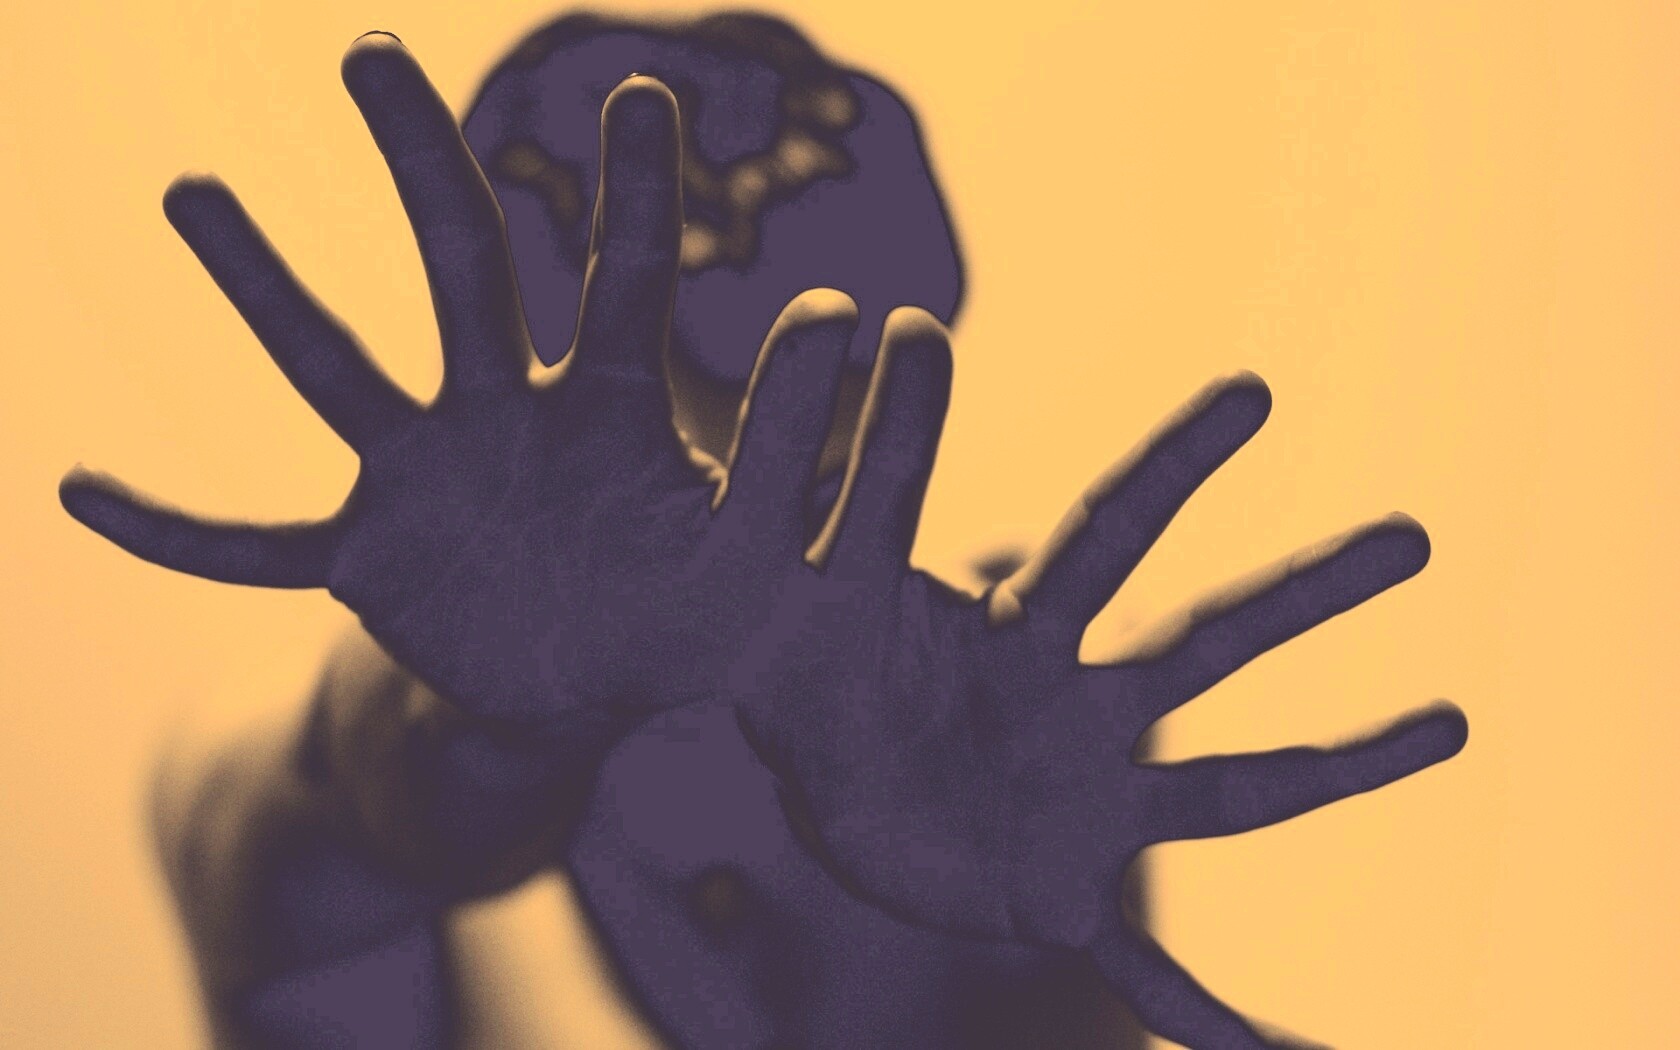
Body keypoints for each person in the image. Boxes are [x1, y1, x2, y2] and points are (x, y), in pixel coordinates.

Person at [63, 23, 1461, 1050]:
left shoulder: (979, 733)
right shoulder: (320, 766)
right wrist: (480, 717)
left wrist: (1044, 963)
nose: (754, 470)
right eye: (689, 371)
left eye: (824, 380)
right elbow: (309, 836)